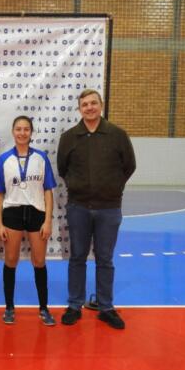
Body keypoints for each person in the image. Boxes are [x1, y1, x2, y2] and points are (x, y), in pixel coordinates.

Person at [56, 89, 136, 330]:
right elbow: (63, 168)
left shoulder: (117, 135)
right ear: (79, 109)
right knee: (77, 257)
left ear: (101, 105)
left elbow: (129, 166)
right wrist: (78, 187)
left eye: (93, 103)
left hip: (109, 208)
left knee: (105, 259)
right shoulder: (69, 137)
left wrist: (112, 188)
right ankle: (74, 304)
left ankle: (105, 307)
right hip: (78, 207)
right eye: (85, 104)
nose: (89, 107)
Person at [0, 116, 57, 326]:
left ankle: (44, 308)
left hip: (37, 214)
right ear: (13, 132)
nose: (22, 133)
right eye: (18, 129)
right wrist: (0, 224)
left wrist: (48, 221)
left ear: (31, 132)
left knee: (39, 261)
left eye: (26, 129)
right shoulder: (4, 160)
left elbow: (48, 191)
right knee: (11, 261)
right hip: (12, 213)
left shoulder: (40, 158)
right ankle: (9, 307)